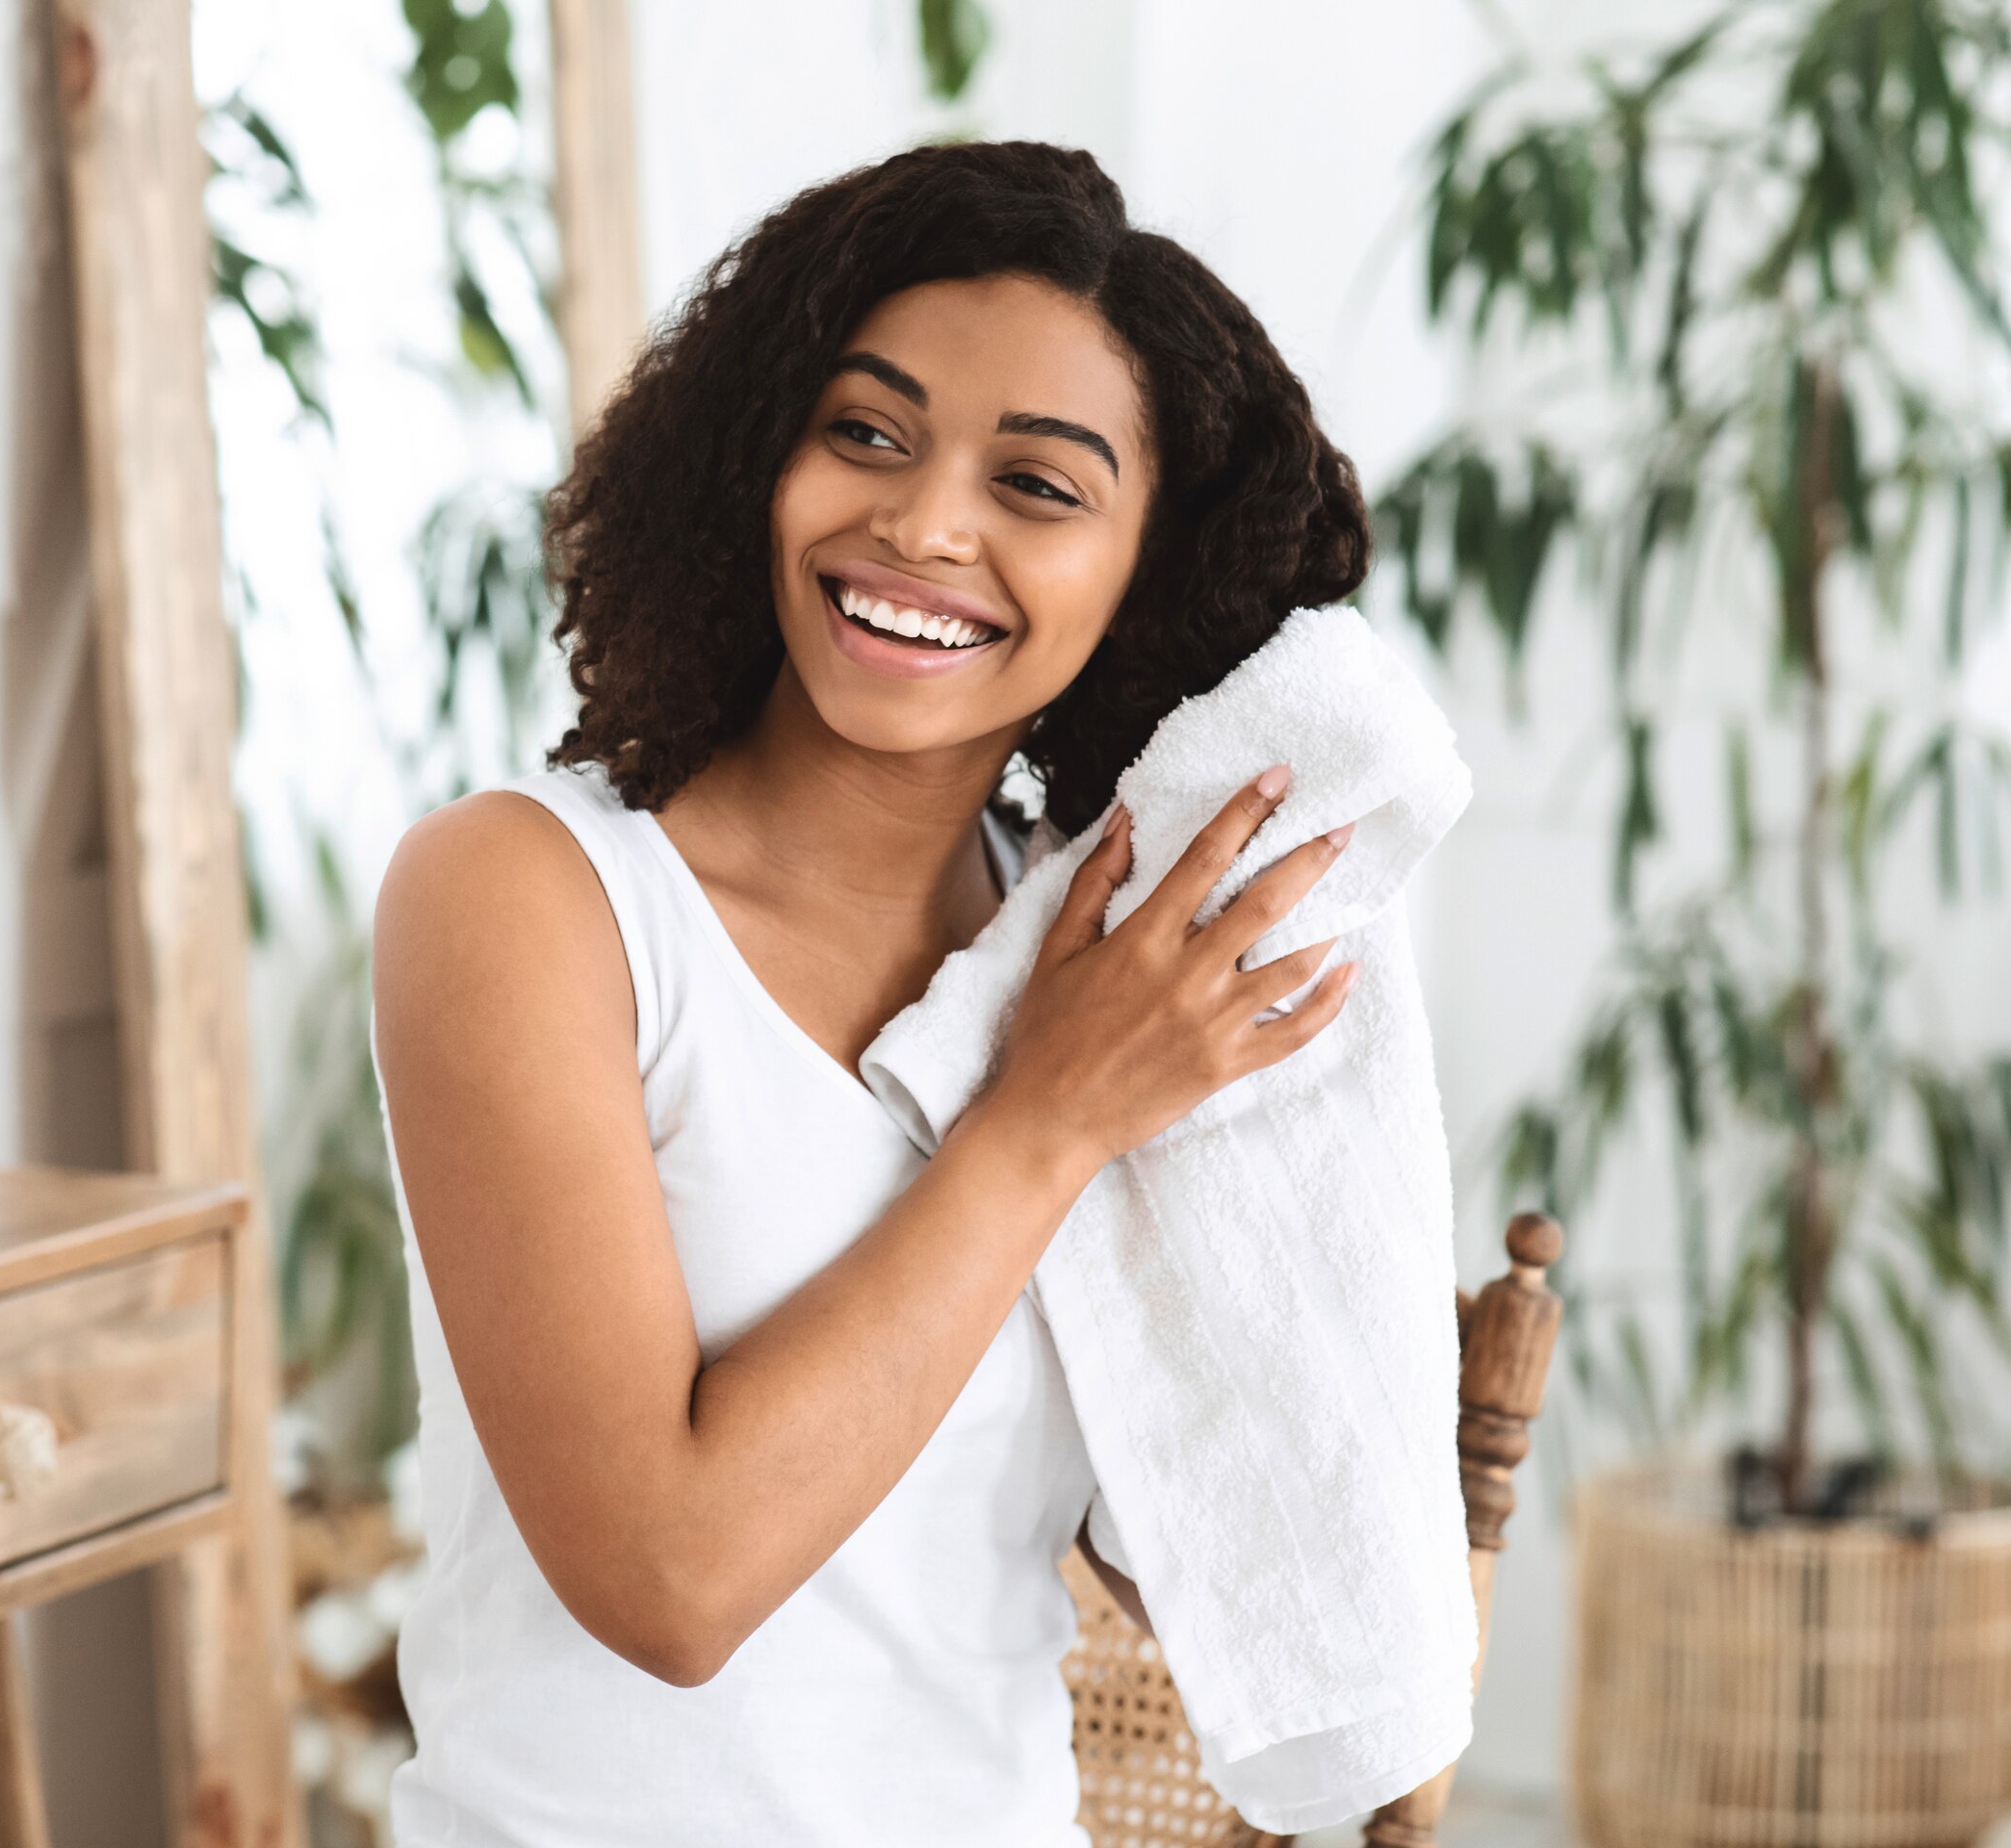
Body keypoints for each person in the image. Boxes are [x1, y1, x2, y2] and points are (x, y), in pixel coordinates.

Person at [372, 140, 1373, 1847]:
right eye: (866, 432)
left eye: (1038, 487)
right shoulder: (532, 899)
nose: (921, 524)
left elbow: (1216, 1533)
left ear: (1150, 577)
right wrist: (1046, 1123)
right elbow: (669, 1582)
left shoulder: (1093, 953)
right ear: (756, 451)